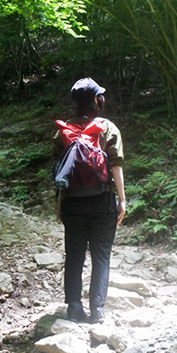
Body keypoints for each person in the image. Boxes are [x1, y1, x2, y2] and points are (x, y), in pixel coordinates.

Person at [54, 77, 126, 323]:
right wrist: (122, 201)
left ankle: (73, 307)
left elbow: (59, 172)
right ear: (96, 100)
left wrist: (59, 203)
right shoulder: (107, 128)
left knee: (74, 255)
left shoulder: (63, 132)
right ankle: (98, 309)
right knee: (101, 255)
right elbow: (116, 166)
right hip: (102, 199)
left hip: (72, 202)